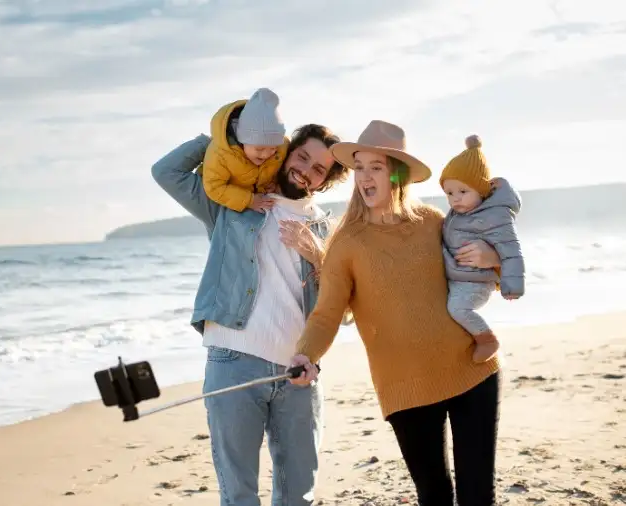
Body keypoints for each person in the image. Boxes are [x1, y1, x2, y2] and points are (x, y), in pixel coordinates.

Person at [289, 120, 503, 506]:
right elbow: (326, 315)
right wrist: (306, 354)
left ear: (397, 174)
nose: (364, 177)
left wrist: (492, 258)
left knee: (478, 496)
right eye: (359, 167)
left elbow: (481, 273)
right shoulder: (346, 243)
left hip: (471, 368)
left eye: (376, 167)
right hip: (405, 388)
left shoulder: (435, 223)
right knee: (435, 496)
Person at [151, 123, 349, 506]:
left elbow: (343, 311)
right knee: (239, 494)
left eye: (319, 169)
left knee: (298, 496)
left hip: (300, 371)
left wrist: (317, 255)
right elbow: (167, 172)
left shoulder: (327, 229)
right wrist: (234, 139)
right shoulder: (233, 203)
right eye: (302, 156)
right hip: (234, 360)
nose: (306, 170)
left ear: (325, 181)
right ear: (286, 151)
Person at [440, 134, 525, 363]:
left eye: (463, 191)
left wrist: (512, 286)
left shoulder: (495, 216)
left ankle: (487, 339)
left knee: (457, 309)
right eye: (449, 193)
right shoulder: (459, 213)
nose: (455, 199)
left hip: (477, 282)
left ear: (481, 190)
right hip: (459, 277)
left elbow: (511, 250)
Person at [200, 87, 289, 213]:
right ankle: (200, 142)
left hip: (263, 200)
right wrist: (249, 200)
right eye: (259, 148)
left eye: (273, 148)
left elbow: (284, 169)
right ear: (243, 140)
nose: (266, 154)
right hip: (225, 201)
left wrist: (275, 183)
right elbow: (214, 187)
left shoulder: (283, 147)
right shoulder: (221, 154)